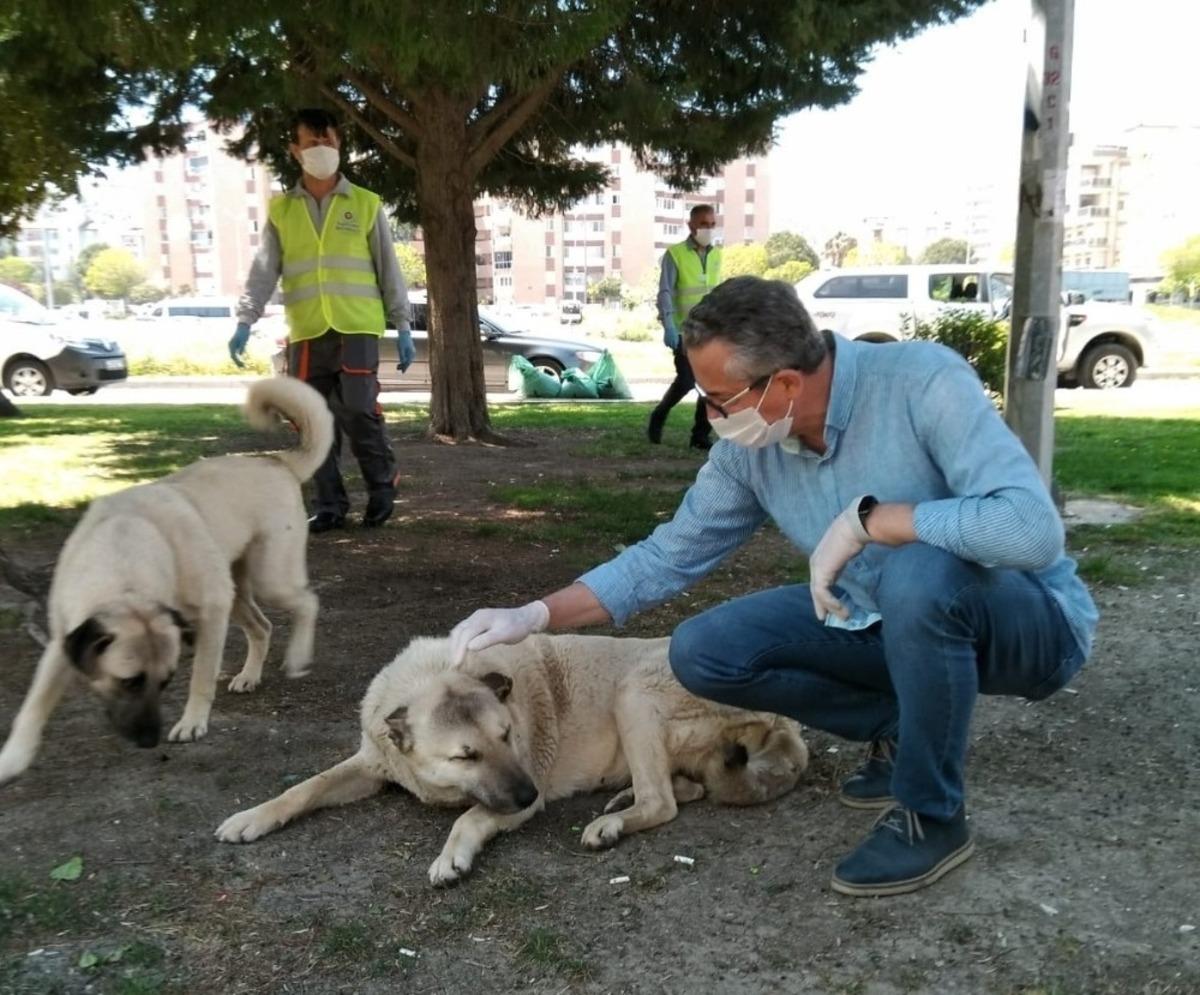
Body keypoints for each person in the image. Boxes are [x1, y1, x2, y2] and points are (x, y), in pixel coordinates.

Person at [447, 276, 1098, 898]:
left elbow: (1032, 529)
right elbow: (671, 553)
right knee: (702, 649)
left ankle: (932, 814)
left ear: (785, 382)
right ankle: (907, 722)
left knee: (919, 568)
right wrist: (534, 613)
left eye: (718, 400)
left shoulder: (923, 381)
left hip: (1032, 626)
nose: (708, 415)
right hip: (878, 618)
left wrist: (880, 521)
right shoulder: (750, 445)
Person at [230, 108, 416, 533]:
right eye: (312, 143)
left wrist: (403, 325)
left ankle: (382, 488)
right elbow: (264, 270)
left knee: (358, 409)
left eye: (328, 142)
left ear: (340, 145)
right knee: (311, 419)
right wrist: (245, 319)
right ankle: (330, 504)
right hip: (308, 330)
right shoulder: (282, 211)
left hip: (357, 327)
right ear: (295, 150)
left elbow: (389, 268)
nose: (321, 150)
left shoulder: (366, 204)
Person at [647, 204, 722, 450]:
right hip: (683, 332)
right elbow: (665, 292)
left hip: (710, 332)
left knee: (711, 386)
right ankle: (659, 414)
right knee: (688, 380)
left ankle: (700, 435)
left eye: (712, 224)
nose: (708, 229)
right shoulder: (675, 254)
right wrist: (668, 324)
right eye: (703, 224)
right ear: (691, 226)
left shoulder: (716, 254)